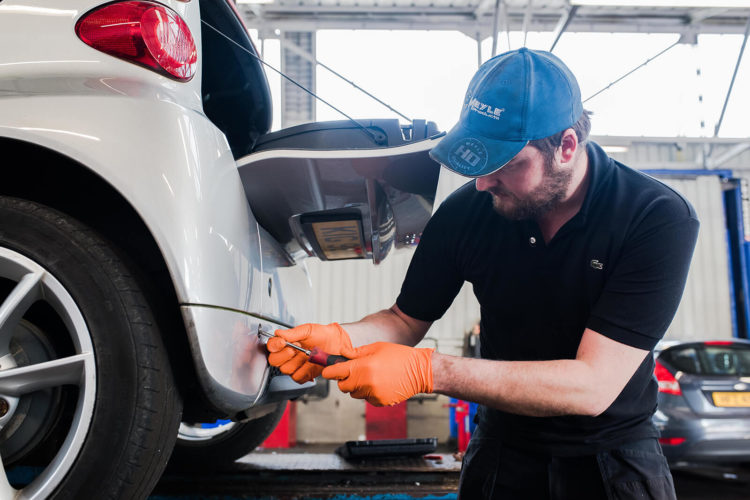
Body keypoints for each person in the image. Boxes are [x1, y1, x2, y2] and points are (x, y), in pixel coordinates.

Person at [266, 48, 699, 499]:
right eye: (479, 161)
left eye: (505, 163)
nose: (483, 182)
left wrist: (430, 371)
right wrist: (341, 337)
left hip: (613, 463)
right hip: (503, 456)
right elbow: (404, 320)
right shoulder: (470, 211)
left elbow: (592, 386)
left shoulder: (653, 216)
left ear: (566, 147)